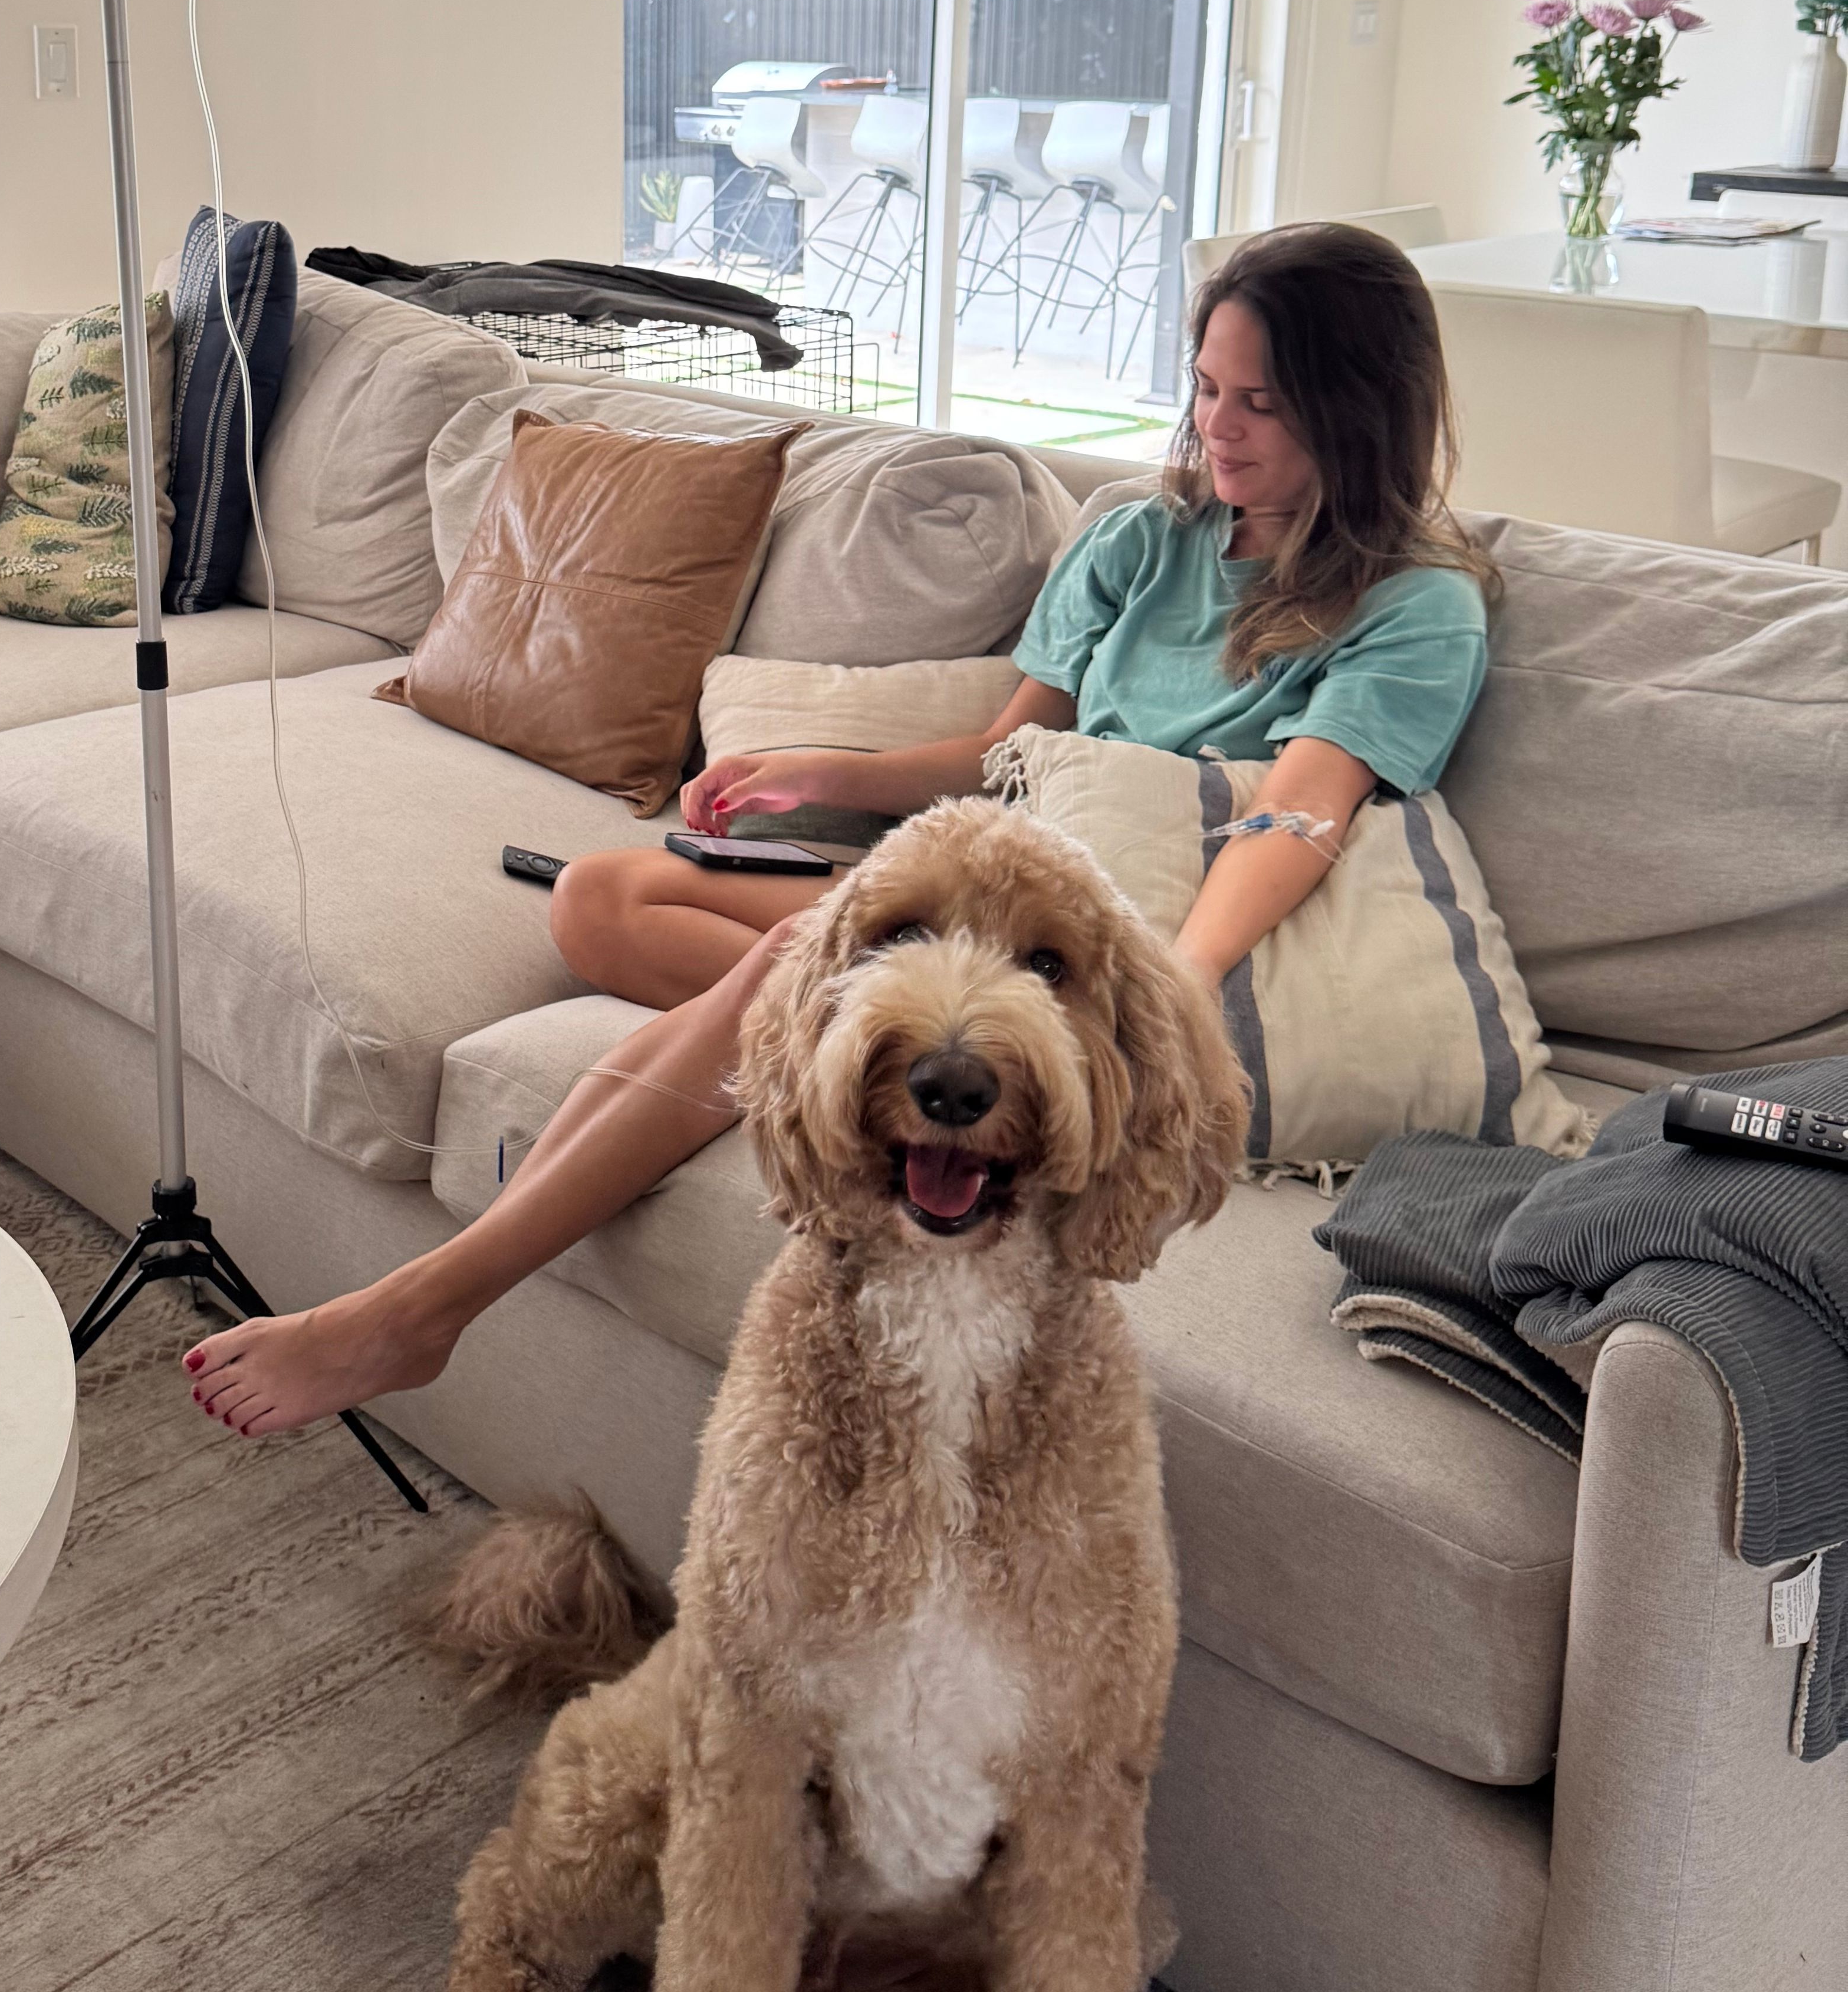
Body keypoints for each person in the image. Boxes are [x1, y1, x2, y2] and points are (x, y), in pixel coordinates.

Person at [185, 222, 1500, 1439]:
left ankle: (426, 1308)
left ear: (1356, 406)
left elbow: (1296, 812)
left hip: (1126, 949)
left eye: (1259, 401)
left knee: (786, 967)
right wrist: (808, 770)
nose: (1218, 424)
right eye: (1208, 385)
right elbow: (1005, 756)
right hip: (995, 895)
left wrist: (1177, 984)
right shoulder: (1144, 541)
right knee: (599, 899)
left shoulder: (1416, 606)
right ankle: (849, 1053)